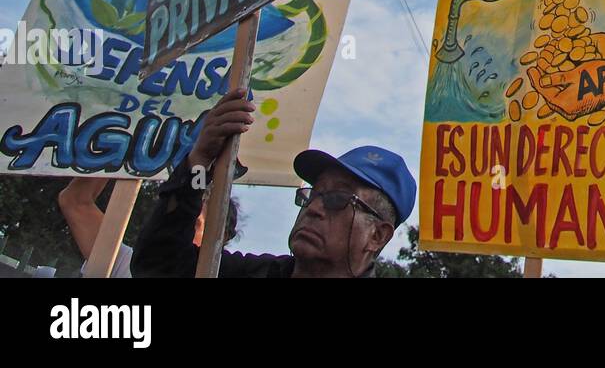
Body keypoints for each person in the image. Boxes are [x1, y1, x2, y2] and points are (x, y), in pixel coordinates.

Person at [131, 89, 415, 278]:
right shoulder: (258, 273)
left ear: (377, 235)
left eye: (337, 199)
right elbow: (159, 265)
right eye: (312, 195)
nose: (314, 208)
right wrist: (199, 162)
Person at [58, 174, 238, 278]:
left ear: (217, 241)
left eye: (194, 224)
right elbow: (76, 201)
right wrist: (124, 145)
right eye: (175, 219)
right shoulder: (125, 264)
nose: (178, 229)